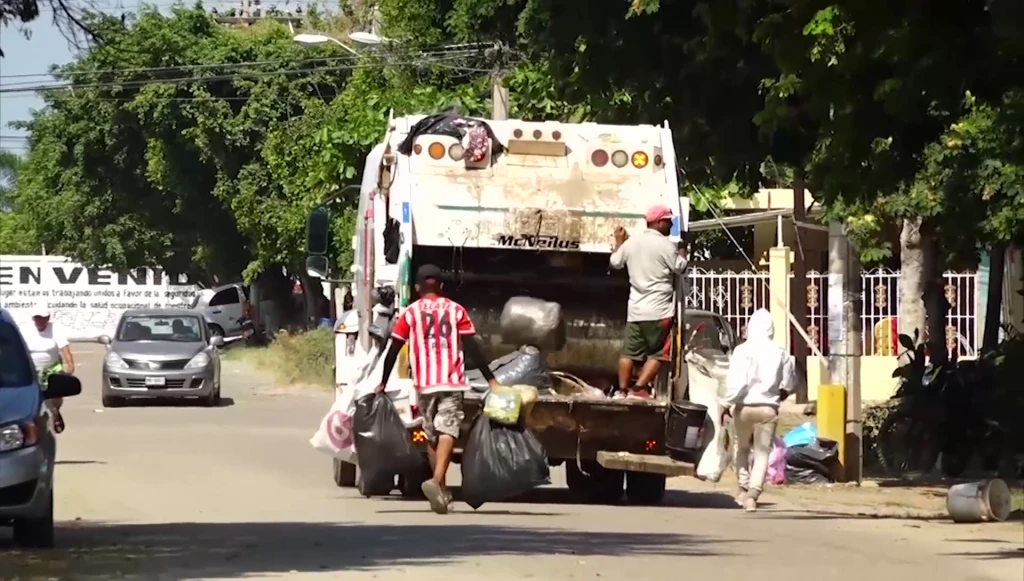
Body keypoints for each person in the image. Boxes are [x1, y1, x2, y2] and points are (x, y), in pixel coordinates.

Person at [377, 264, 499, 514]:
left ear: (417, 287)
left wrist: (383, 381)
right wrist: (491, 379)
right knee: (449, 429)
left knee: (432, 434)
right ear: (441, 286)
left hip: (424, 383)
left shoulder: (409, 314)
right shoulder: (456, 310)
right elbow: (473, 348)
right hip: (451, 380)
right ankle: (436, 481)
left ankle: (441, 489)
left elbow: (394, 348)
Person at [609, 204, 688, 398]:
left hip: (635, 311)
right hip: (659, 313)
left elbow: (615, 262)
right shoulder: (665, 245)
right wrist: (683, 250)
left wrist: (619, 243)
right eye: (668, 221)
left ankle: (621, 391)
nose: (670, 225)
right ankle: (637, 390)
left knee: (629, 353)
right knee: (659, 354)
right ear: (659, 222)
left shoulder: (631, 243)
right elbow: (680, 267)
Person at [722, 308, 793, 512]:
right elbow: (788, 384)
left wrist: (726, 404)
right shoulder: (780, 352)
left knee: (741, 447)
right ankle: (753, 495)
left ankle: (743, 489)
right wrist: (777, 395)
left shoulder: (741, 351)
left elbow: (735, 382)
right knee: (762, 453)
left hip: (743, 407)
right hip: (768, 409)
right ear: (771, 329)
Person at [19, 302, 75, 433]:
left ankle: (55, 412)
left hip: (52, 366)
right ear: (33, 319)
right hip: (31, 367)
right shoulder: (25, 329)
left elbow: (64, 348)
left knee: (55, 395)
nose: (41, 321)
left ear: (48, 318)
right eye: (38, 317)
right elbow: (17, 347)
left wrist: (70, 364)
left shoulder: (55, 329)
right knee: (32, 395)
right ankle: (32, 419)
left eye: (43, 318)